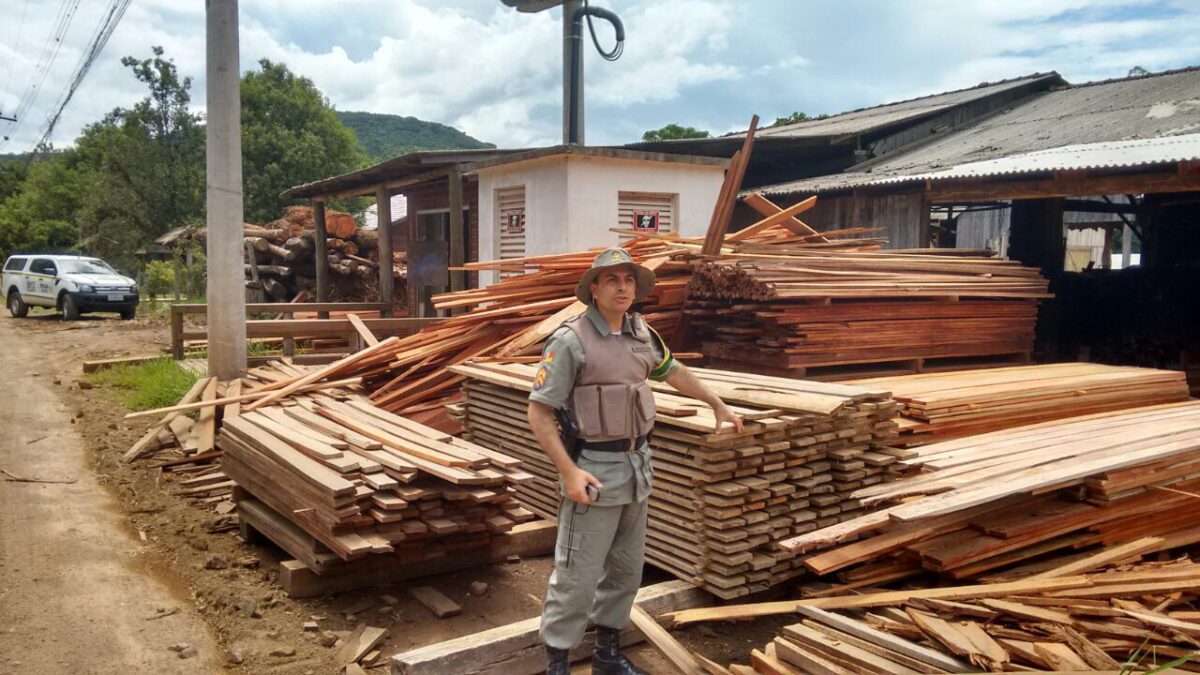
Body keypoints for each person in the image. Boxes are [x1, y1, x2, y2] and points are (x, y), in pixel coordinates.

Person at [528, 247, 744, 675]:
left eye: (629, 280)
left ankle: (607, 655)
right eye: (612, 279)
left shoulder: (642, 334)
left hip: (636, 469)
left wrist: (716, 402)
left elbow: (674, 371)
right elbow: (539, 411)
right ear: (594, 289)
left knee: (626, 570)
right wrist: (569, 473)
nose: (622, 287)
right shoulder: (570, 341)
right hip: (592, 472)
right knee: (576, 574)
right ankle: (558, 664)